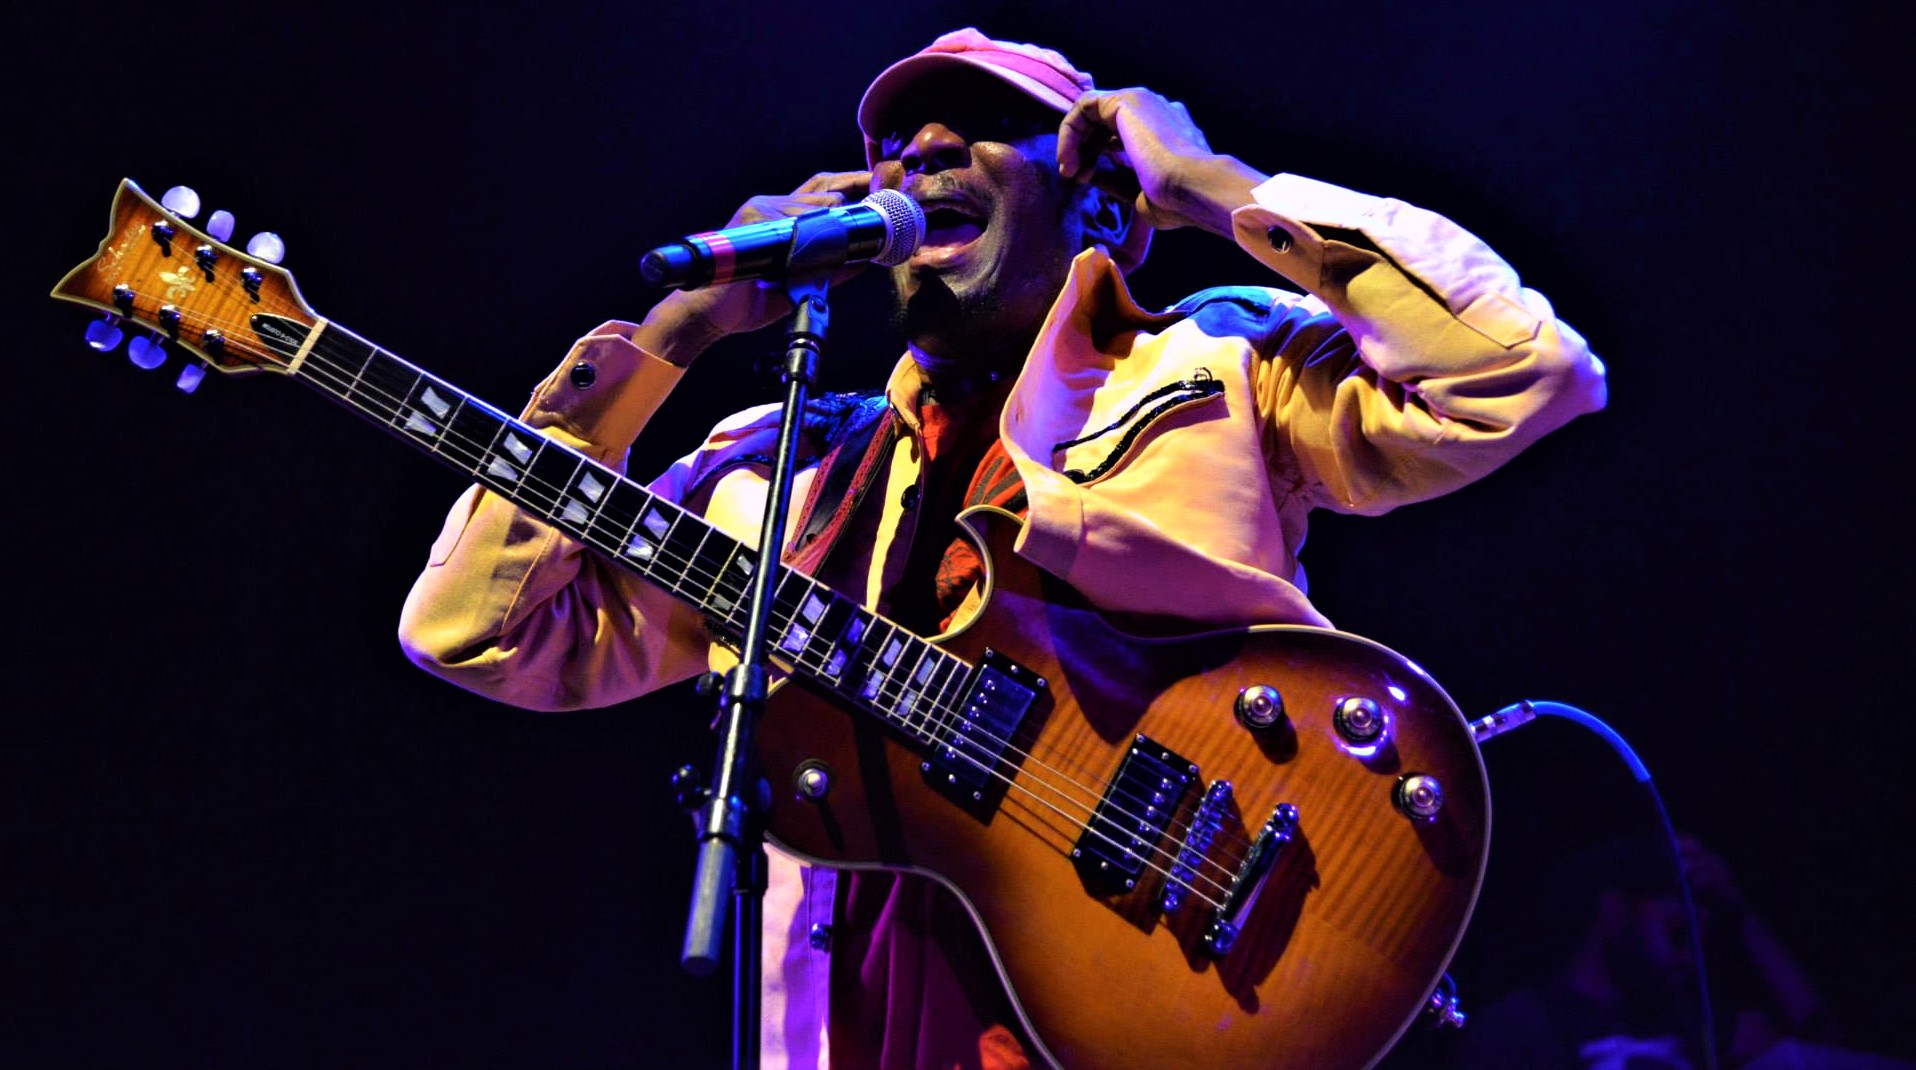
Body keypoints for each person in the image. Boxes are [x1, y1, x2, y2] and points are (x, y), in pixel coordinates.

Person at [397, 27, 1608, 1070]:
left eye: (979, 125)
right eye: (897, 142)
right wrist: (671, 337)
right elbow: (471, 631)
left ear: (1096, 201)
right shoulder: (780, 466)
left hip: (1165, 977)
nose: (921, 152)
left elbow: (1522, 376)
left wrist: (1206, 181)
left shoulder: (1214, 365)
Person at [1455, 834, 1843, 1070]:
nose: (1689, 957)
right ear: (1615, 911)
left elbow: (1823, 1049)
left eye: (1700, 943)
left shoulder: (1704, 1026)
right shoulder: (1519, 1026)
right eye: (1677, 933)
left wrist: (1743, 915)